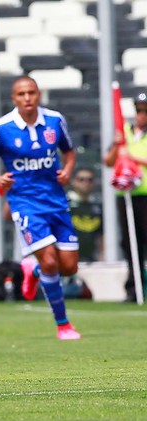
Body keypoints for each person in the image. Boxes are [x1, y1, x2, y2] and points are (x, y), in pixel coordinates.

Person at [0, 75, 81, 340]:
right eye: (21, 94)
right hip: (24, 203)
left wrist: (68, 170)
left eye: (31, 93)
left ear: (38, 94)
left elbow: (69, 151)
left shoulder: (55, 121)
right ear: (14, 98)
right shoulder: (1, 128)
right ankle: (63, 325)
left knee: (68, 267)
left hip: (56, 201)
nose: (27, 99)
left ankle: (30, 269)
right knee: (49, 260)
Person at [103, 91, 147, 303]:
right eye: (139, 110)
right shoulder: (125, 133)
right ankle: (134, 287)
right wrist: (117, 145)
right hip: (127, 195)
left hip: (146, 193)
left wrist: (134, 157)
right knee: (131, 243)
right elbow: (108, 161)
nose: (142, 115)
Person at [67, 166, 103, 262]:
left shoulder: (98, 207)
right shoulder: (65, 205)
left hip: (92, 260)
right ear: (73, 181)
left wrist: (102, 256)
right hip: (69, 259)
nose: (86, 183)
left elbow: (102, 235)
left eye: (89, 180)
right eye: (81, 179)